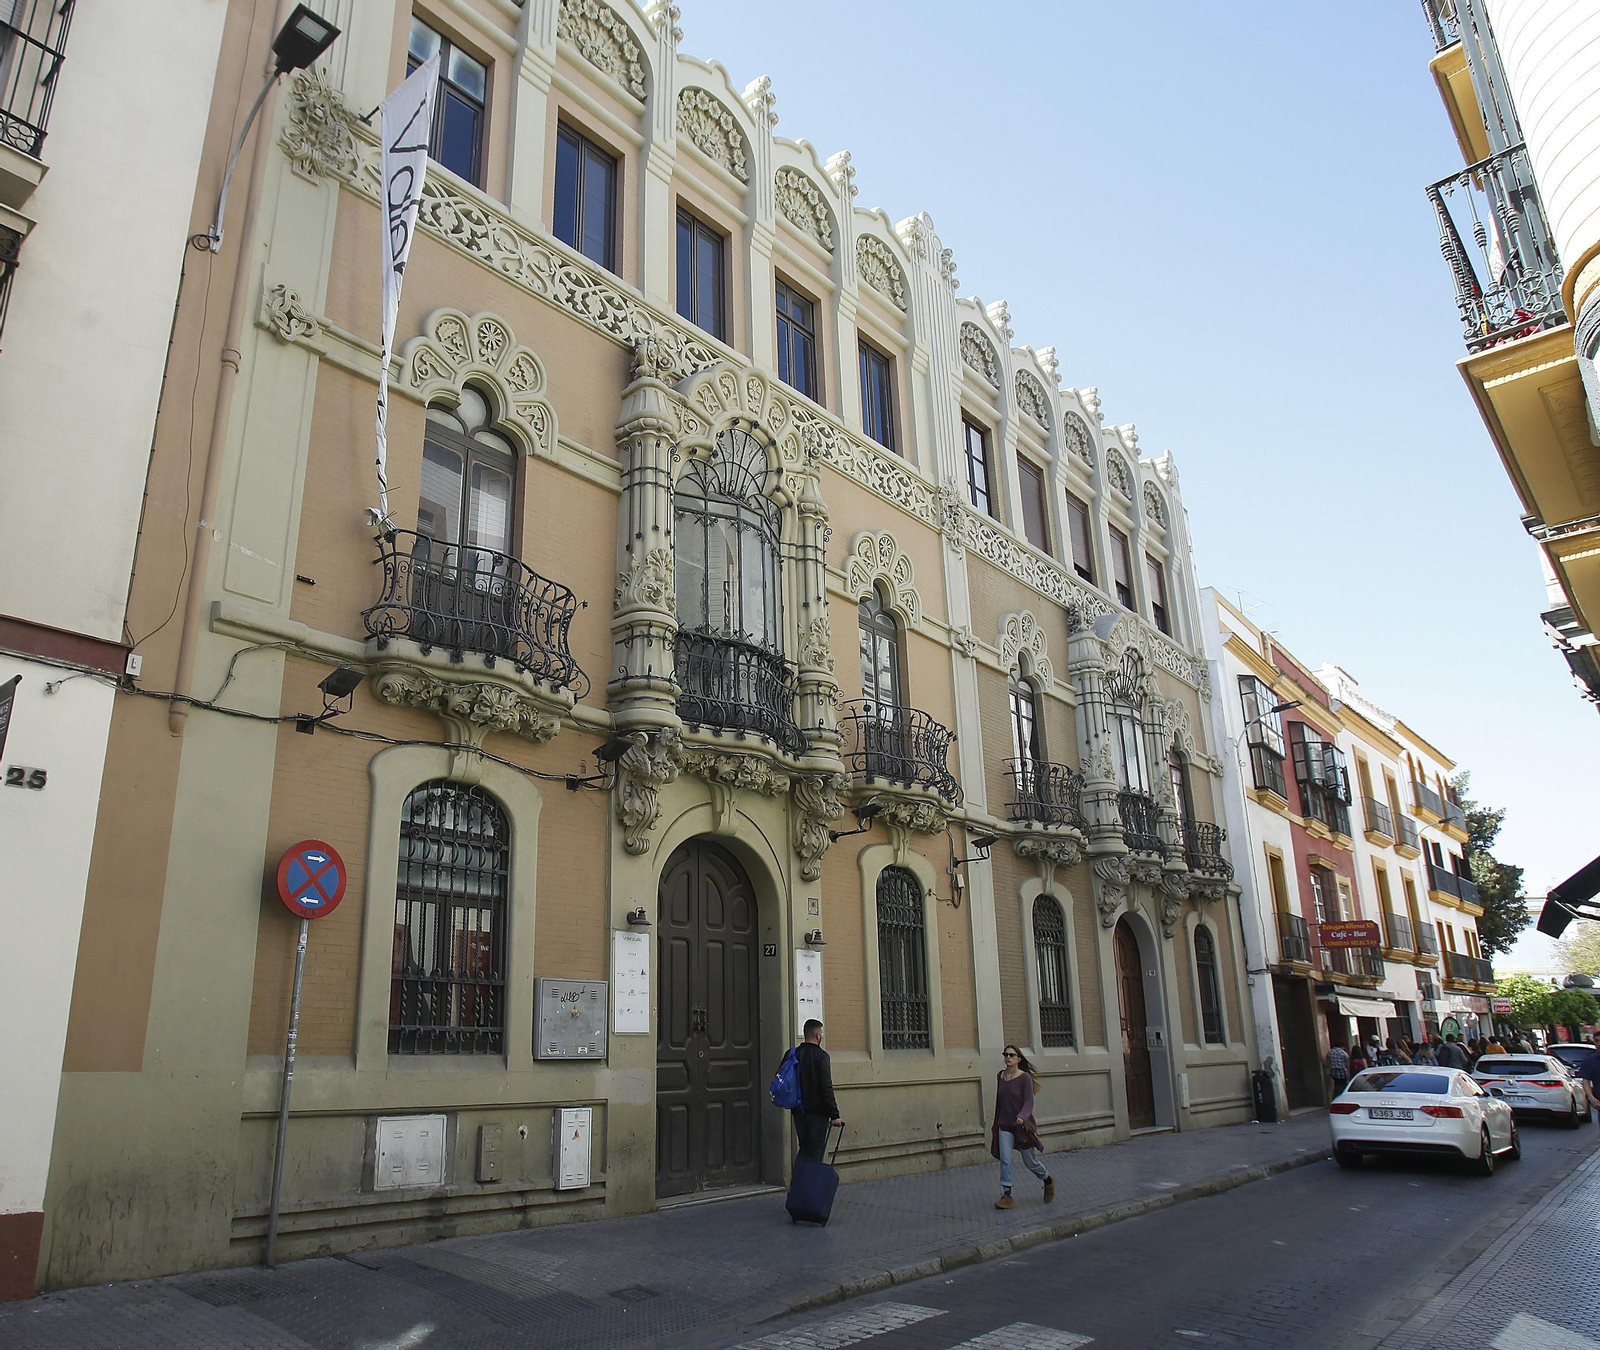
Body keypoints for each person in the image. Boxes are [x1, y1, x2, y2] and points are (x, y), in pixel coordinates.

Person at [991, 1045, 1053, 1209]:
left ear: (1018, 1059)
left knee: (1030, 1162)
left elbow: (1029, 1101)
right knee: (1005, 1159)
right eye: (1006, 1054)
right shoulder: (1001, 1076)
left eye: (1012, 1054)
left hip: (1021, 1126)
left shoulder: (1024, 1078)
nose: (1008, 1057)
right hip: (1005, 1125)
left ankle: (1047, 1179)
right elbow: (1000, 1103)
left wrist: (1023, 1116)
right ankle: (1007, 1195)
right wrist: (996, 1122)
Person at [791, 1019, 844, 1168]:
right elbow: (826, 1087)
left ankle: (797, 1186)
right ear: (818, 1035)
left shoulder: (793, 1054)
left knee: (804, 1149)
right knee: (815, 1153)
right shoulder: (822, 1056)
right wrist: (835, 1115)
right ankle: (810, 1189)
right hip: (818, 1114)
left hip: (798, 1111)